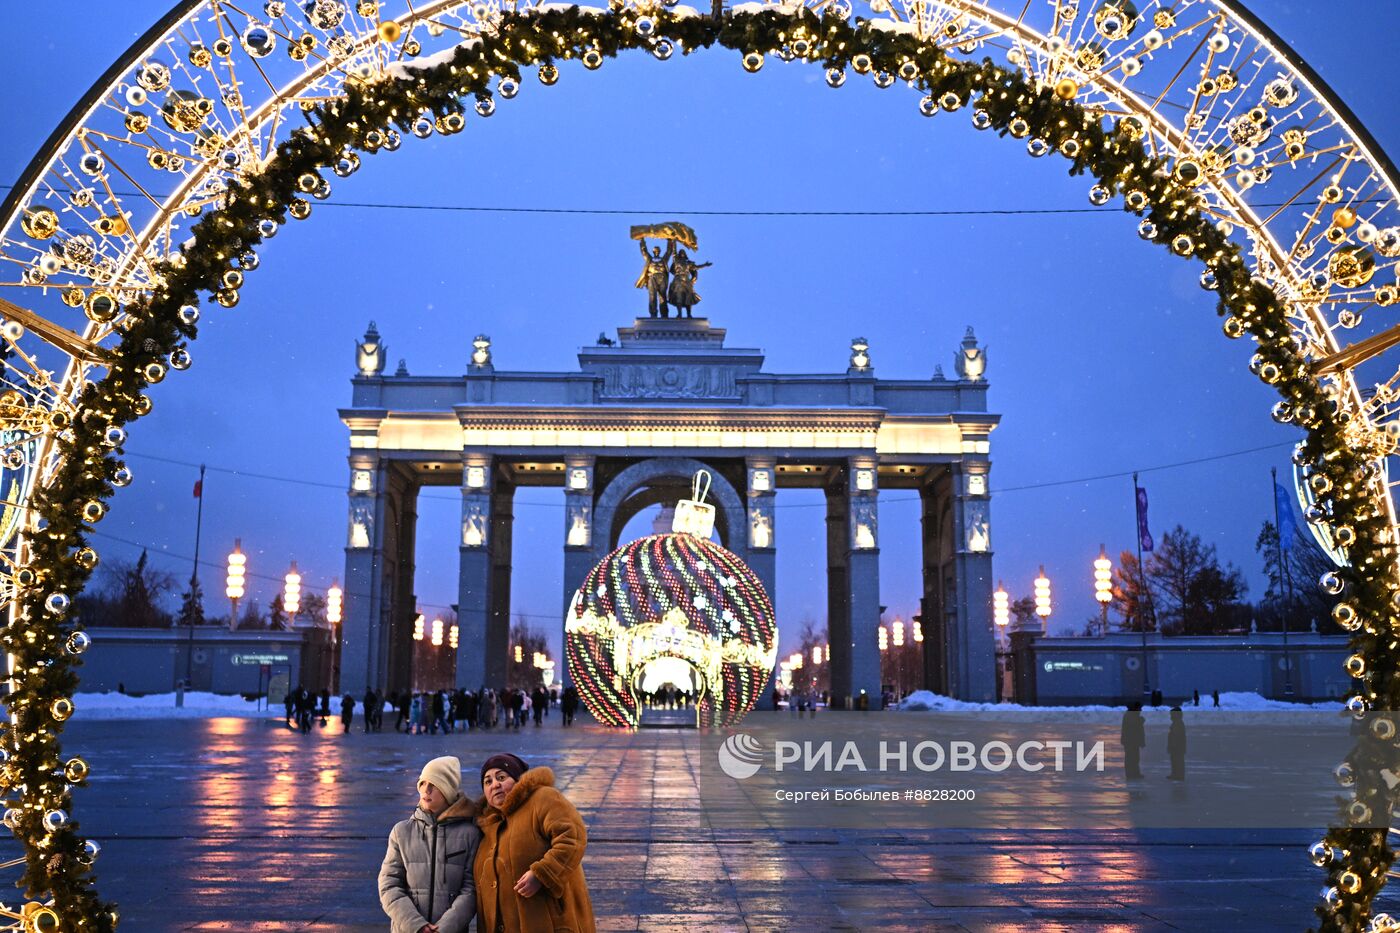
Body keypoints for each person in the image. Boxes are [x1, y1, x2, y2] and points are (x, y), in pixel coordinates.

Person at [475, 753, 595, 933]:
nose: (495, 785)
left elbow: (572, 837)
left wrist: (542, 874)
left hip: (553, 923)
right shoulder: (488, 825)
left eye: (501, 777)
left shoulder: (542, 798)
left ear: (518, 778)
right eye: (488, 782)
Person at [379, 755, 480, 933]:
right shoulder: (401, 832)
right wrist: (417, 925)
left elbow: (470, 889)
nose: (426, 790)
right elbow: (389, 884)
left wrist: (444, 928)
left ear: (448, 790)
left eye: (434, 784)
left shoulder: (469, 834)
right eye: (423, 783)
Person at [666, 249, 712, 318]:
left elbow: (696, 267)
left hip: (686, 281)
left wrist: (705, 265)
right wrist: (674, 241)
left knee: (689, 297)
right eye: (680, 252)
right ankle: (679, 314)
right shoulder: (676, 261)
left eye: (683, 252)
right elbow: (674, 253)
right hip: (678, 280)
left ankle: (689, 314)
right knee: (678, 297)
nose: (682, 254)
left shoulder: (688, 263)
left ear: (685, 255)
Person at [636, 238, 675, 318]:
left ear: (659, 252)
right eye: (655, 251)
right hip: (652, 278)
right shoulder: (650, 259)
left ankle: (664, 314)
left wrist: (669, 241)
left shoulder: (663, 259)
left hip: (662, 278)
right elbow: (644, 252)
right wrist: (642, 241)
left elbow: (669, 252)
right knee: (652, 296)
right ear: (653, 252)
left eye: (658, 251)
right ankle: (653, 314)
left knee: (662, 296)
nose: (656, 252)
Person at [1120, 703, 1146, 780]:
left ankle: (1134, 773)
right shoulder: (1131, 715)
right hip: (1131, 741)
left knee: (1134, 758)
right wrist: (1141, 720)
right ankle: (1132, 774)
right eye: (1139, 708)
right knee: (1131, 758)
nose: (1140, 710)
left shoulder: (1132, 715)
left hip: (1132, 741)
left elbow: (1137, 730)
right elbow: (1134, 727)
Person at [1167, 707, 1186, 781]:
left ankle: (1178, 775)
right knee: (1175, 760)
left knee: (1178, 760)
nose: (1170, 716)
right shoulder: (1177, 723)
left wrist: (1173, 746)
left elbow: (1176, 736)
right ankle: (1175, 774)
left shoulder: (1178, 723)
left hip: (1177, 747)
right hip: (1177, 746)